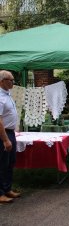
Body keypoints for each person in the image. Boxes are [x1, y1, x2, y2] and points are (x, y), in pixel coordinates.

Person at [0, 70, 21, 203]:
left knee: (10, 162)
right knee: (1, 164)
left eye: (13, 80)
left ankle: (7, 189)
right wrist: (5, 139)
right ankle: (0, 193)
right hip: (3, 134)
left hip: (10, 132)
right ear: (2, 81)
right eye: (10, 80)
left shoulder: (7, 95)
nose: (13, 82)